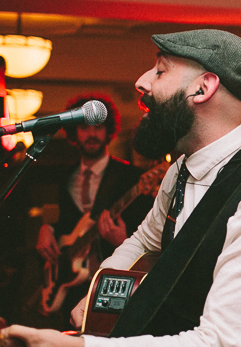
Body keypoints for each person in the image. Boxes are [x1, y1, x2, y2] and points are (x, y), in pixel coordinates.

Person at [2, 30, 241, 347]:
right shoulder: (180, 172)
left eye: (160, 70)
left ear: (203, 88)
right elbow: (140, 243)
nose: (142, 82)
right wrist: (100, 301)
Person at [34, 93, 155, 317]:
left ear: (109, 131)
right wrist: (47, 228)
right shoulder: (65, 178)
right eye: (84, 127)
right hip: (71, 284)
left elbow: (151, 236)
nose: (92, 134)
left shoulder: (132, 178)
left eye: (98, 127)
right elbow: (64, 224)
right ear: (73, 132)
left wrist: (124, 241)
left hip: (114, 279)